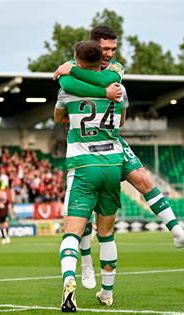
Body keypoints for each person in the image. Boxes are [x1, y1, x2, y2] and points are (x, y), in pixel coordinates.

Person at [54, 25, 184, 291]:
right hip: (91, 149)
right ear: (93, 47)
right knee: (86, 216)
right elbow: (68, 85)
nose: (110, 54)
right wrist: (95, 88)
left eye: (113, 48)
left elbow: (74, 82)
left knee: (144, 180)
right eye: (105, 48)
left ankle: (178, 232)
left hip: (111, 144)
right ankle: (87, 264)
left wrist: (78, 76)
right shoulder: (81, 68)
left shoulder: (110, 70)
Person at [54, 40, 127, 311]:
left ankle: (70, 279)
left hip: (83, 165)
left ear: (76, 59)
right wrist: (104, 93)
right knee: (106, 233)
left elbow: (58, 116)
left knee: (71, 232)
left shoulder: (68, 87)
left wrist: (68, 71)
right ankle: (107, 293)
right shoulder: (117, 86)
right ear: (101, 59)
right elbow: (121, 121)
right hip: (112, 164)